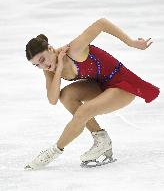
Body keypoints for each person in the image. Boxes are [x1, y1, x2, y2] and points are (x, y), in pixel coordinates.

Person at [24, 18, 160, 169]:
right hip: (102, 86)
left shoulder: (73, 50)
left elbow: (101, 23)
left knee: (84, 111)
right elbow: (53, 99)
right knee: (66, 96)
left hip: (123, 86)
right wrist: (59, 67)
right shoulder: (50, 68)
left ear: (50, 48)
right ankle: (101, 139)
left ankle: (54, 151)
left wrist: (132, 43)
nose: (43, 66)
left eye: (42, 59)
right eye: (37, 65)